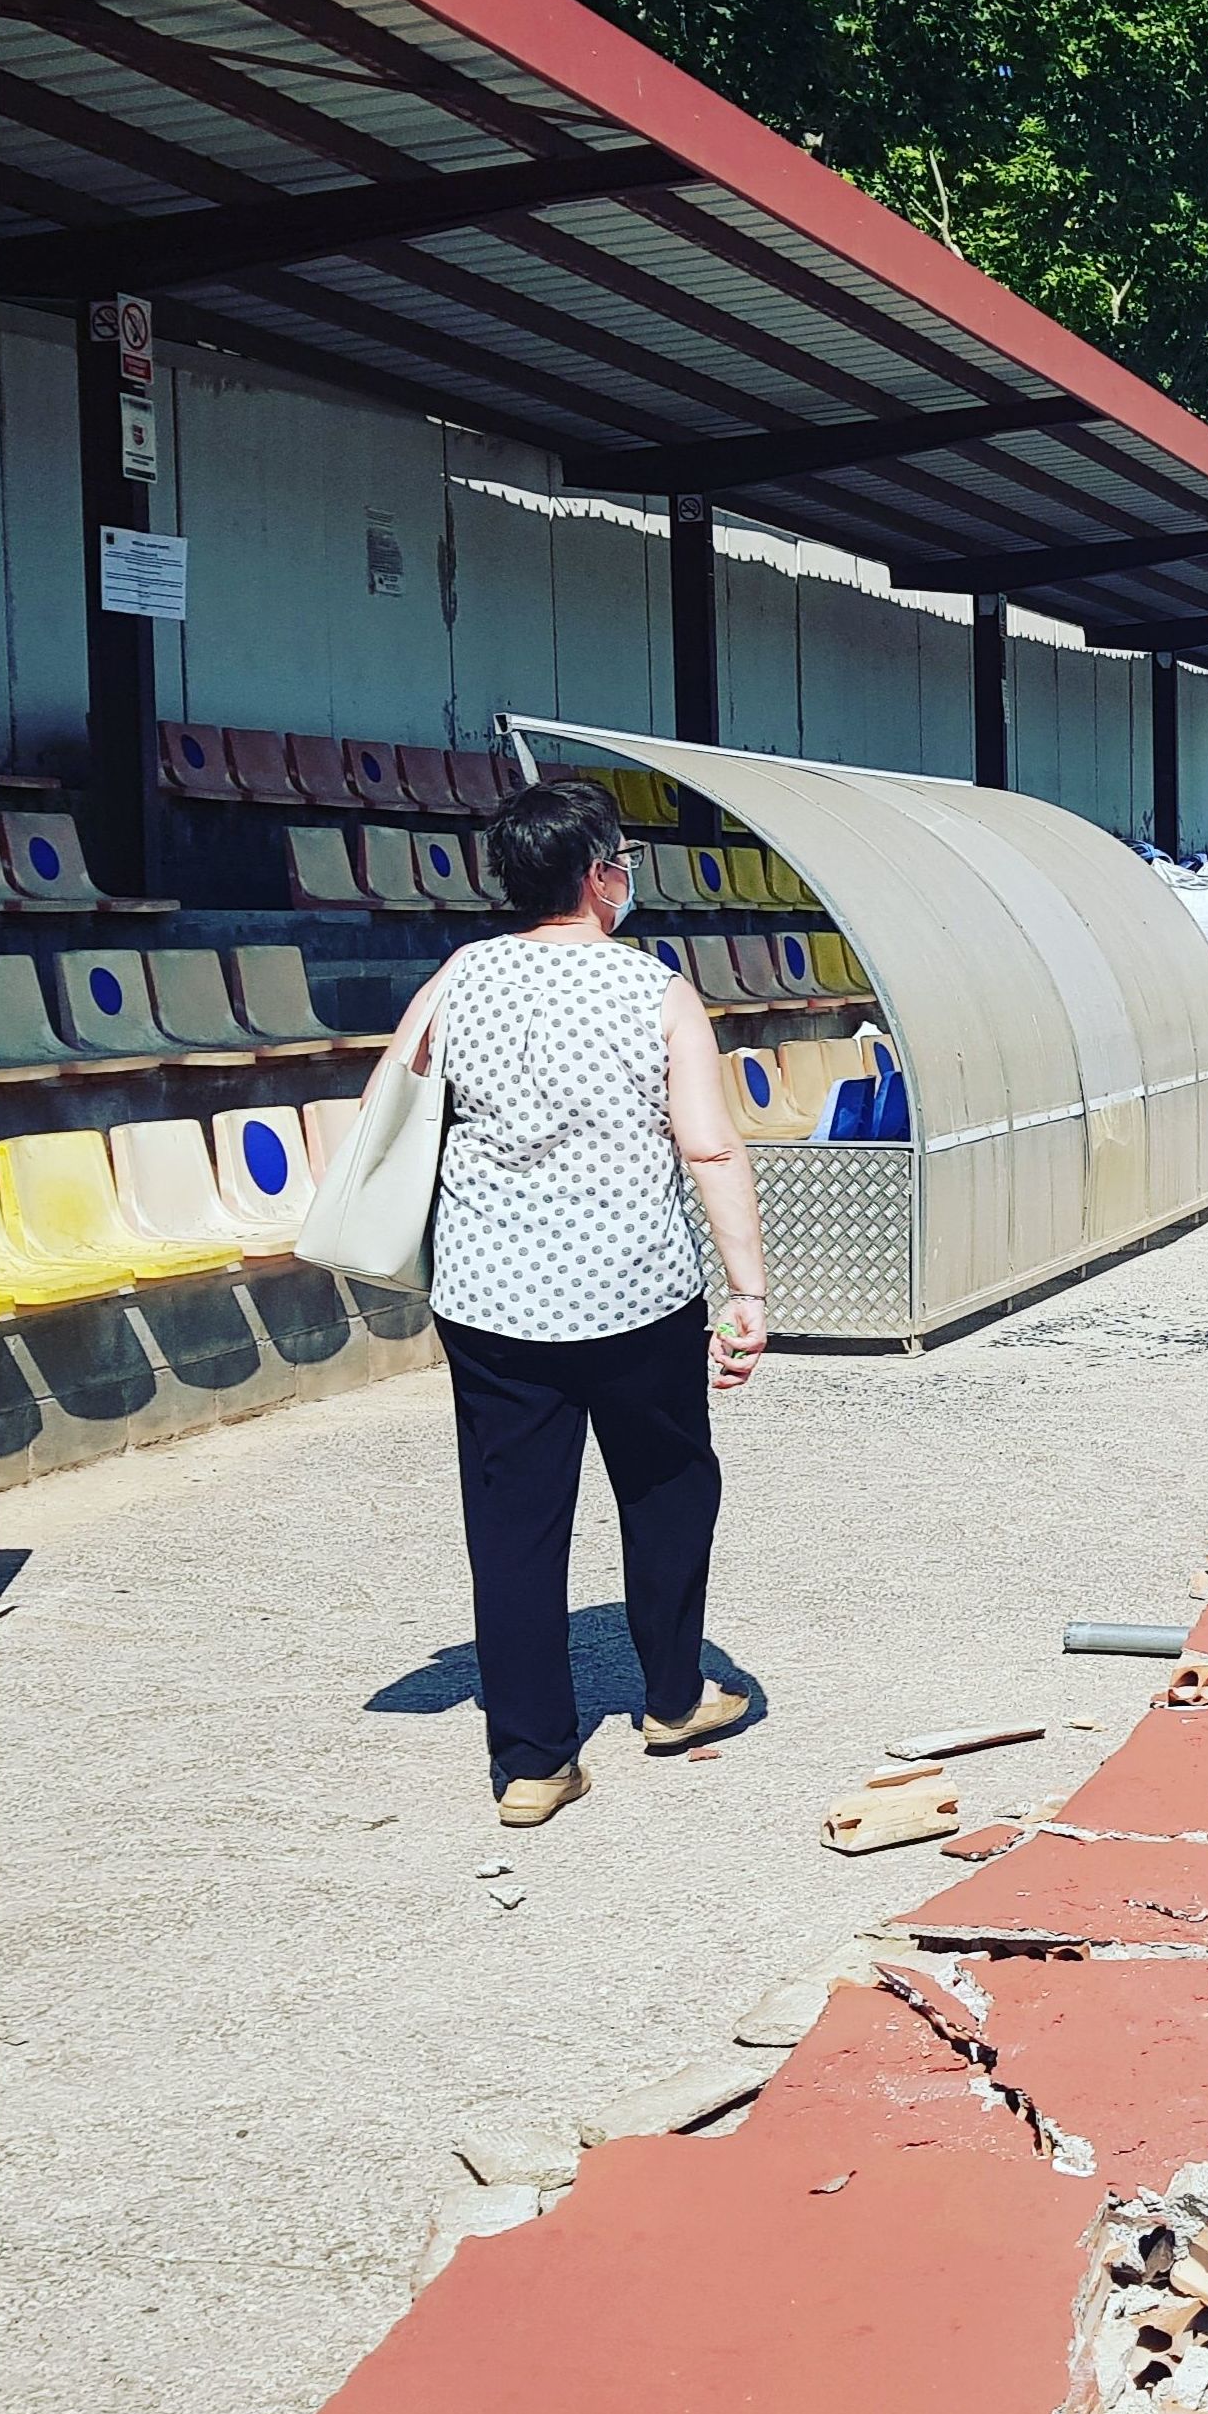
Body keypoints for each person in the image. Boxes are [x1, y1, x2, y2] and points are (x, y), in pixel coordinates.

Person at [382, 777, 770, 1827]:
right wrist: (748, 1287)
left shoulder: (464, 973)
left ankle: (532, 1762)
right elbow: (707, 1141)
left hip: (490, 1295)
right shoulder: (653, 988)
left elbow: (399, 1086)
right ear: (600, 874)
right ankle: (676, 1694)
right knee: (667, 1487)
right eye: (624, 864)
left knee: (512, 1520)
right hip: (631, 1292)